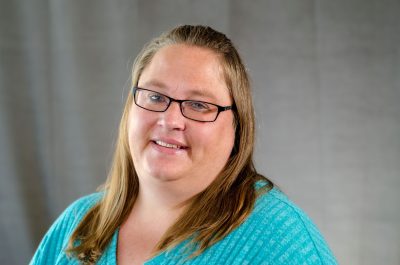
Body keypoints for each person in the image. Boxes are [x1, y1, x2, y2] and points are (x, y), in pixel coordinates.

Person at [30, 25, 337, 265]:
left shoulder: (280, 241)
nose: (170, 119)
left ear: (237, 127)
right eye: (155, 96)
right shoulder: (77, 224)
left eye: (198, 104)